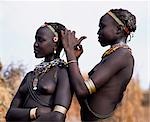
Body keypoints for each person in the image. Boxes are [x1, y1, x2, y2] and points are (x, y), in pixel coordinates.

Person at [61, 8, 136, 122]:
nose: (98, 32)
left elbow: (82, 90)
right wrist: (74, 59)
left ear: (118, 29)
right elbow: (83, 95)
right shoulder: (114, 55)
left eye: (102, 26)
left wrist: (70, 54)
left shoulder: (122, 55)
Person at [6, 22, 73, 122]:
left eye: (41, 40)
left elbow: (58, 117)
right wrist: (35, 112)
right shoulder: (29, 76)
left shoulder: (63, 73)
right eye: (35, 39)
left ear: (55, 42)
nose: (35, 44)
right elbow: (10, 115)